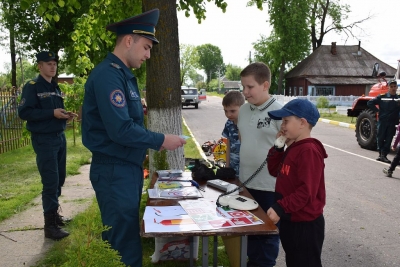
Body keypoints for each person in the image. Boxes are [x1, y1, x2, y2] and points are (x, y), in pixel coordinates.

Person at [81, 9, 186, 267]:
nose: (148, 55)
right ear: (129, 41)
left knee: (126, 236)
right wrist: (161, 140)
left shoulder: (123, 75)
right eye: (146, 47)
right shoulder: (109, 75)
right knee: (123, 244)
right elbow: (121, 130)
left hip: (123, 169)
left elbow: (122, 119)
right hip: (114, 169)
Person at [18, 51, 76, 240]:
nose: (53, 67)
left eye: (54, 64)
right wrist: (52, 113)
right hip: (44, 140)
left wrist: (65, 114)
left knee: (59, 179)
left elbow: (54, 111)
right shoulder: (32, 87)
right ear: (40, 66)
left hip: (59, 137)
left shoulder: (55, 87)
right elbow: (25, 112)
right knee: (50, 181)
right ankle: (49, 226)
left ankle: (55, 216)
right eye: (48, 64)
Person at [267, 99, 327, 267]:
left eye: (286, 121)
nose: (282, 126)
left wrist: (281, 207)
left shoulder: (308, 151)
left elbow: (306, 192)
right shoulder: (293, 148)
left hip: (305, 226)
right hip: (291, 219)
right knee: (294, 261)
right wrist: (278, 147)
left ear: (302, 123)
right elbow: (273, 170)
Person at [237, 62, 283, 267]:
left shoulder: (280, 111)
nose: (245, 92)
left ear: (265, 85)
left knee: (266, 235)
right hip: (245, 184)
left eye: (250, 87)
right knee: (249, 231)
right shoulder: (244, 110)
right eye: (243, 87)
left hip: (270, 186)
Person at [367, 79, 400, 163]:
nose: (393, 88)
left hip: (392, 122)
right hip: (383, 121)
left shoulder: (398, 98)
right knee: (380, 137)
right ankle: (380, 154)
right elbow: (370, 103)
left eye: (394, 86)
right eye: (391, 86)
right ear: (388, 87)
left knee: (389, 138)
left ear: (396, 87)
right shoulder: (382, 96)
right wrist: (377, 111)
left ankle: (384, 155)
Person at [221, 90, 245, 177]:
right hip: (232, 167)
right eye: (225, 111)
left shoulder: (248, 123)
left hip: (245, 169)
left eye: (232, 111)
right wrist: (227, 166)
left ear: (243, 108)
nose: (228, 114)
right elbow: (228, 146)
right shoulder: (228, 123)